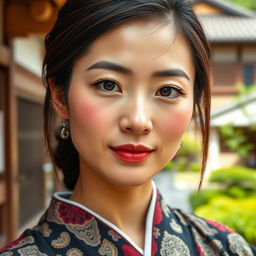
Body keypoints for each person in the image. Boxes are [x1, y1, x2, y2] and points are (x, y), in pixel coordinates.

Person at [1, 0, 256, 255]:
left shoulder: (227, 248)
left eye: (167, 90)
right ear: (60, 96)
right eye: (108, 85)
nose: (138, 121)